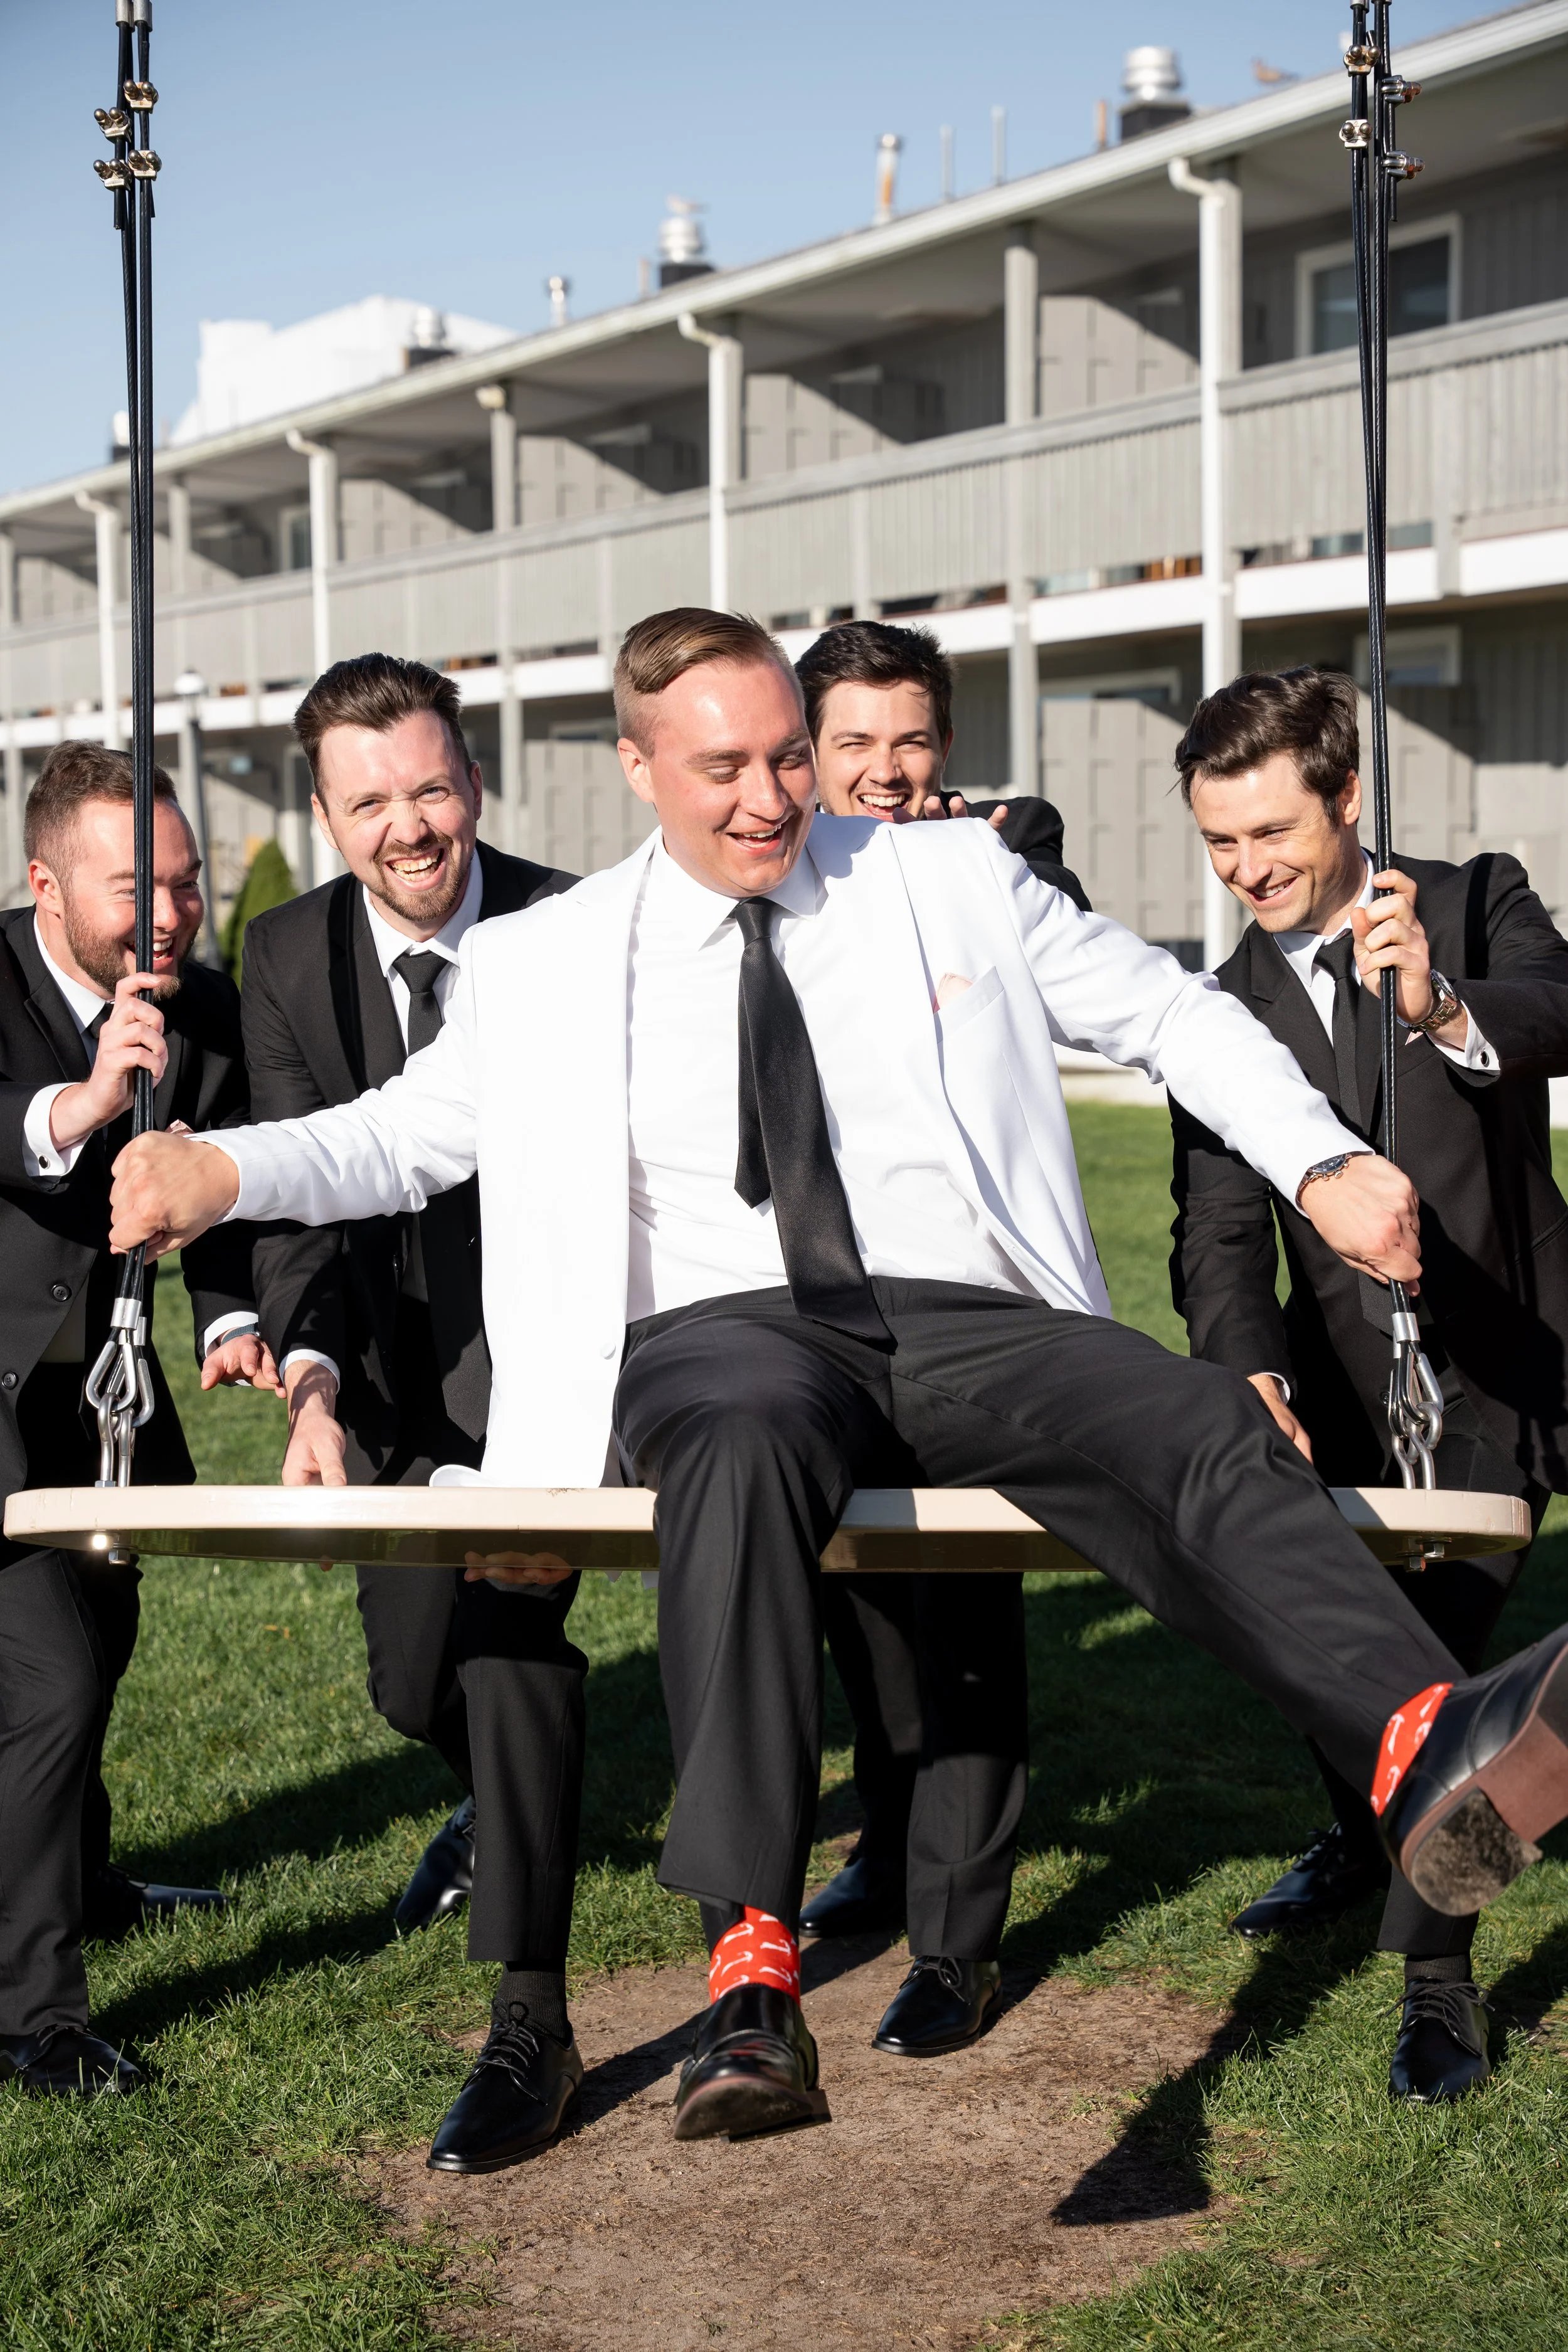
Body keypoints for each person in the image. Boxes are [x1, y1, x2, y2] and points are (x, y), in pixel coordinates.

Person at [109, 609, 1568, 2150]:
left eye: (788, 759)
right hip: (714, 1331)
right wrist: (223, 1166)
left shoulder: (945, 876)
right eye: (723, 767)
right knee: (736, 1447)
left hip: (950, 1310)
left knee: (1188, 1410)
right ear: (636, 768)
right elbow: (399, 1135)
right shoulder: (543, 960)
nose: (767, 798)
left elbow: (1170, 1015)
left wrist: (1323, 1154)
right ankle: (753, 1968)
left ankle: (1422, 1748)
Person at [1167, 665, 1568, 2102]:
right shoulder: (1210, 1010)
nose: (1246, 870)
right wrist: (1245, 1373)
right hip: (1338, 1380)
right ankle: (1358, 1834)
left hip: (1506, 1356)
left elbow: (1557, 1011)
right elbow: (1213, 1237)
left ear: (1345, 799)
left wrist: (1441, 1002)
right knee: (1333, 1650)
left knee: (1433, 1669)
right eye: (1217, 843)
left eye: (1271, 833)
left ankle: (1432, 1982)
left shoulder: (1465, 901)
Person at [232, 653, 586, 2174]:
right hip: (379, 1367)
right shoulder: (283, 957)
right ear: (325, 815)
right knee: (406, 1685)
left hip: (554, 1367)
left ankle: (528, 2015)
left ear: (475, 784)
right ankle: (495, 1807)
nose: (409, 827)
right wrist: (307, 1374)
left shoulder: (577, 925)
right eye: (370, 801)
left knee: (510, 1643)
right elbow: (298, 1194)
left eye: (431, 788)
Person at [794, 617, 1088, 2057]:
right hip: (825, 1315)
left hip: (981, 1319)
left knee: (965, 1607)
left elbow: (1052, 933)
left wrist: (1009, 846)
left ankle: (956, 1942)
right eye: (854, 744)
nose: (886, 772)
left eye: (909, 742)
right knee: (859, 1597)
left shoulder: (996, 861)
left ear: (944, 749)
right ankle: (892, 1830)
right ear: (809, 753)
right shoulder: (775, 873)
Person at [0, 741, 258, 2097]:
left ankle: (85, 1880)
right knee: (46, 1680)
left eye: (184, 879)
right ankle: (32, 2017)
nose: (164, 913)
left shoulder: (194, 1010)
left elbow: (225, 1185)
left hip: (97, 1399)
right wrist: (86, 1103)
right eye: (129, 887)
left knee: (105, 1632)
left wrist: (229, 1319)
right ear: (45, 884)